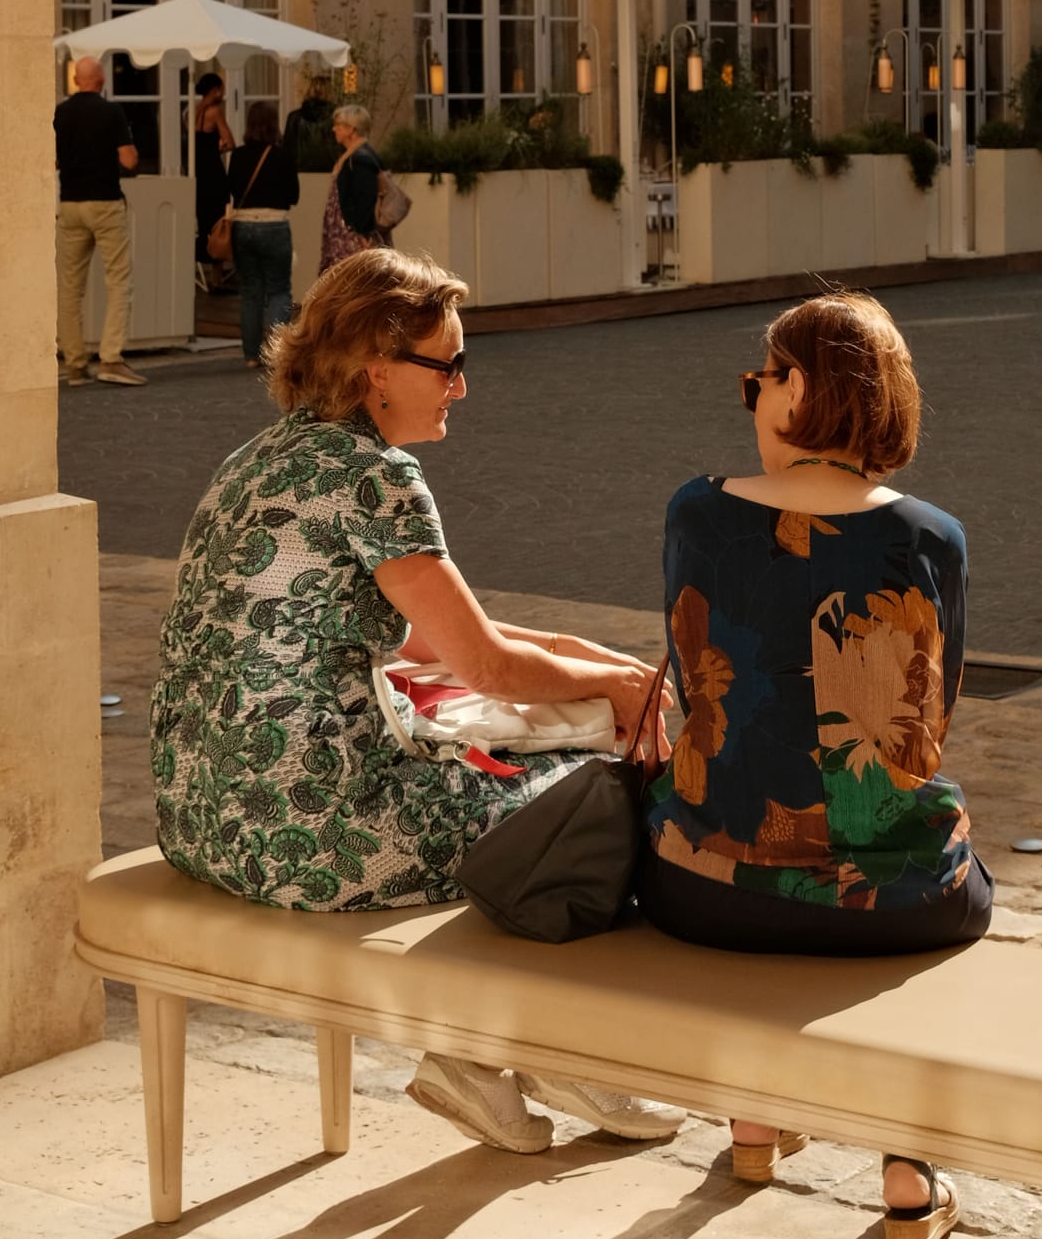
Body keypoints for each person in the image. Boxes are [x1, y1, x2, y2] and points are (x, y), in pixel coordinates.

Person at [151, 245, 679, 1156]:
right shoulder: (375, 476)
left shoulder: (262, 457)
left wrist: (604, 668)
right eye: (448, 363)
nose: (461, 386)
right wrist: (616, 692)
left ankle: (483, 1056)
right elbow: (489, 667)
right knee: (589, 801)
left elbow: (442, 636)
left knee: (534, 773)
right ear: (375, 368)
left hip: (200, 813)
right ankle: (549, 1052)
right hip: (310, 829)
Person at [637, 291, 992, 1239]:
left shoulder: (698, 511)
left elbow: (698, 679)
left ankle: (755, 1121)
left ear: (796, 388)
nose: (751, 399)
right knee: (921, 852)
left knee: (737, 805)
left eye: (757, 381)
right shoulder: (930, 537)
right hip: (891, 905)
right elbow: (927, 728)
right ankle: (907, 1174)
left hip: (706, 885)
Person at [54, 55, 143, 387]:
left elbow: (54, 158)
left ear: (77, 80)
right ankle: (111, 358)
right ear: (102, 81)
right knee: (118, 279)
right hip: (105, 202)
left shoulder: (60, 113)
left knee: (70, 286)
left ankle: (75, 363)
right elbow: (129, 159)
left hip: (70, 203)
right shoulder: (111, 112)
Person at [224, 97, 300, 370]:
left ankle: (251, 354)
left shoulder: (238, 156)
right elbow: (293, 196)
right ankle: (276, 354)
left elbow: (232, 189)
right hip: (275, 225)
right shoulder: (282, 156)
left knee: (250, 291)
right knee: (279, 290)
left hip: (244, 226)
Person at [320, 100, 388, 267]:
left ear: (352, 129)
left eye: (339, 125)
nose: (334, 129)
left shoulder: (360, 158)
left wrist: (363, 233)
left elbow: (366, 197)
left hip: (353, 238)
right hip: (347, 234)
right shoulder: (355, 155)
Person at [192, 70, 236, 285]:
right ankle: (217, 278)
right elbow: (230, 141)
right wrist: (219, 148)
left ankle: (203, 268)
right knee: (218, 223)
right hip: (214, 173)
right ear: (216, 90)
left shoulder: (192, 111)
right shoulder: (215, 112)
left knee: (203, 220)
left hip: (197, 172)